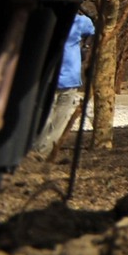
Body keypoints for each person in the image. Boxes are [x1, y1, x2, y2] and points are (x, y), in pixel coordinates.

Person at [30, 9, 95, 155]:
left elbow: (93, 31)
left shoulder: (77, 21)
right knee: (51, 118)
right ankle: (39, 151)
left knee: (55, 119)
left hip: (63, 79)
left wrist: (86, 47)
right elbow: (93, 30)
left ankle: (42, 152)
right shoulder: (76, 21)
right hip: (55, 79)